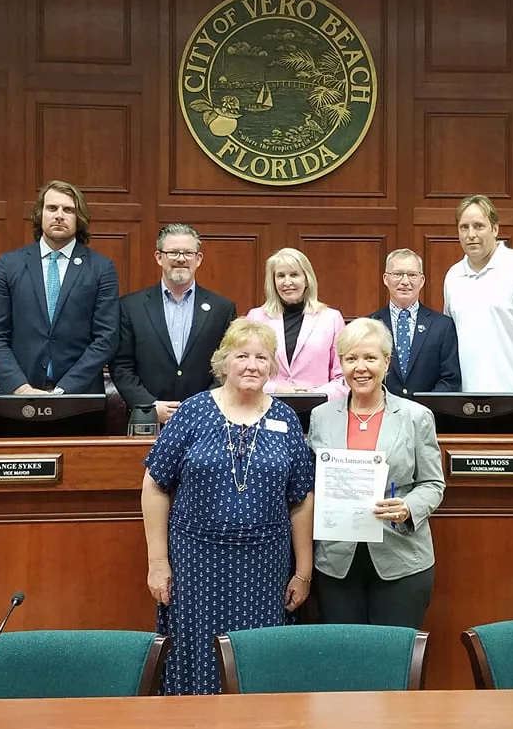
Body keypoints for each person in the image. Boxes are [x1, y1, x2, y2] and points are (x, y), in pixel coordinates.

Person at [140, 318, 316, 695]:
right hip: (196, 564)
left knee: (256, 659)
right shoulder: (193, 411)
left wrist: (303, 572)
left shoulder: (285, 418)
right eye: (242, 356)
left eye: (261, 357)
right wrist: (157, 562)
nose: (252, 365)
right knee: (195, 652)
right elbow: (154, 485)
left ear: (272, 366)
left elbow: (301, 498)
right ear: (224, 362)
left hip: (264, 567)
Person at [307, 318, 445, 628]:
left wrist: (408, 507)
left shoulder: (416, 416)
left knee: (395, 653)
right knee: (345, 651)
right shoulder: (321, 416)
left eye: (370, 358)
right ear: (341, 363)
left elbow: (433, 483)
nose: (360, 368)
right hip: (336, 562)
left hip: (401, 558)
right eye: (351, 359)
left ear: (386, 361)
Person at [0, 180, 120, 395]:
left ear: (79, 218)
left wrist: (64, 390)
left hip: (78, 397)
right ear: (40, 214)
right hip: (16, 395)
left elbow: (106, 338)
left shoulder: (101, 268)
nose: (59, 215)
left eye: (68, 210)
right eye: (52, 208)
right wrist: (21, 389)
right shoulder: (8, 265)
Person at [443, 194, 513, 429]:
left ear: (495, 229)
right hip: (465, 406)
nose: (471, 234)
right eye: (464, 227)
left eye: (478, 226)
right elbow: (448, 340)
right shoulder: (453, 276)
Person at [111, 225, 237, 425]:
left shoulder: (222, 309)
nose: (181, 259)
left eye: (188, 253)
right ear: (159, 257)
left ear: (198, 259)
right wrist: (150, 406)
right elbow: (121, 366)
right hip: (148, 422)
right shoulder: (130, 306)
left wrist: (203, 407)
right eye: (173, 252)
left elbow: (228, 365)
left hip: (206, 420)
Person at [244, 247, 345, 397]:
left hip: (317, 406)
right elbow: (245, 371)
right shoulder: (256, 317)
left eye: (294, 275)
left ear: (306, 279)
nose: (287, 282)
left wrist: (314, 394)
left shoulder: (331, 318)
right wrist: (276, 390)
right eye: (280, 276)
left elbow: (343, 377)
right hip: (268, 404)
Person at [368, 248, 460, 396]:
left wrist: (425, 406)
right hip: (383, 408)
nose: (405, 282)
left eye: (412, 275)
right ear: (385, 279)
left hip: (428, 409)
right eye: (397, 274)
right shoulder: (369, 325)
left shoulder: (442, 326)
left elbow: (450, 379)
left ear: (422, 280)